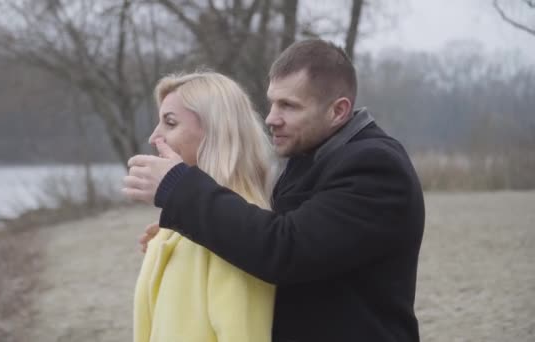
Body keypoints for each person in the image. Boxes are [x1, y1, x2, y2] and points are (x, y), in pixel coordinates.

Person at [125, 39, 425, 341]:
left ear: (338, 110)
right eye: (272, 102)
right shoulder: (310, 157)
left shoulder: (375, 167)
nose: (271, 118)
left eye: (289, 106)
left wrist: (178, 189)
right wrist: (187, 230)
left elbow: (286, 248)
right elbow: (266, 226)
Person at [130, 71, 277, 342]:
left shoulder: (240, 231)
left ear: (216, 132)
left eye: (170, 124)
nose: (154, 137)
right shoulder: (183, 225)